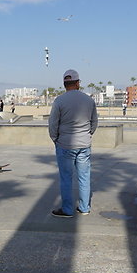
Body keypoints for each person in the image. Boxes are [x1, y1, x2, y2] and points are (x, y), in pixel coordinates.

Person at [48, 69, 98, 217]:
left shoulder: (59, 101)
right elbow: (94, 122)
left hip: (65, 145)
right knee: (84, 177)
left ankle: (68, 209)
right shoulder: (89, 100)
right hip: (84, 145)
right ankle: (84, 207)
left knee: (66, 178)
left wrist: (55, 139)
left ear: (64, 84)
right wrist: (87, 135)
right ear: (77, 83)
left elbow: (53, 124)